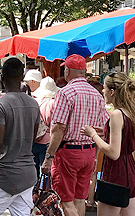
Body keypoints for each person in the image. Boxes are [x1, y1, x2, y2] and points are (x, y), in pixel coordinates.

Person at [41, 54, 108, 216]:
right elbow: (105, 128)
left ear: (68, 71)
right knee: (79, 198)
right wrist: (96, 155)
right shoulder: (97, 95)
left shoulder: (66, 93)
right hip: (89, 151)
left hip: (68, 152)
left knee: (66, 200)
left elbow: (58, 128)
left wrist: (49, 157)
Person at [0, 58, 41, 216]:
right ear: (22, 77)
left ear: (2, 76)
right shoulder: (33, 104)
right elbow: (32, 139)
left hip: (4, 176)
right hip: (27, 174)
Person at [81, 72, 135, 216]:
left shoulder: (117, 114)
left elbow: (114, 153)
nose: (102, 91)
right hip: (131, 173)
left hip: (116, 174)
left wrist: (93, 135)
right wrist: (106, 133)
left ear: (112, 91)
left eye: (104, 88)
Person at [32, 76, 60, 177]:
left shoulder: (35, 101)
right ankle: (44, 190)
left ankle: (34, 190)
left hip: (35, 137)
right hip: (48, 140)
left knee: (34, 169)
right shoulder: (54, 103)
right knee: (46, 171)